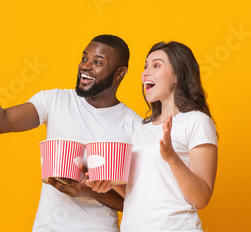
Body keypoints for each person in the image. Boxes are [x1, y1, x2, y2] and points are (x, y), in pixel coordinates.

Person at [0, 34, 142, 231]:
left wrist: (91, 192)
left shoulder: (135, 126)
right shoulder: (55, 100)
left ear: (119, 73)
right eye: (84, 58)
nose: (85, 66)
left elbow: (140, 205)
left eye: (97, 62)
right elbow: (1, 122)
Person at [87, 41, 218, 231]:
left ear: (178, 75)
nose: (145, 73)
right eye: (146, 66)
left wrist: (171, 158)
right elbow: (138, 192)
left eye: (156, 66)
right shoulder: (140, 127)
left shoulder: (197, 122)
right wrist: (108, 182)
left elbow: (201, 198)